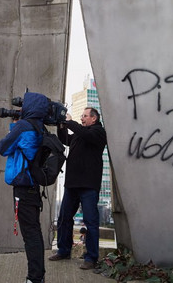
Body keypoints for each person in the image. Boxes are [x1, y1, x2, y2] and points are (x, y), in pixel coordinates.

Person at [0, 92, 49, 283]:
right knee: (34, 232)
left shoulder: (22, 126)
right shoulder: (39, 126)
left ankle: (35, 278)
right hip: (32, 186)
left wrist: (15, 125)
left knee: (31, 235)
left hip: (23, 186)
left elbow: (3, 148)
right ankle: (38, 276)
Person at [48, 107, 107, 270]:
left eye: (85, 116)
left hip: (88, 185)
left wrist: (70, 121)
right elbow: (66, 138)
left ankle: (91, 258)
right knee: (64, 218)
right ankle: (63, 250)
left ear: (94, 119)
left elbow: (84, 133)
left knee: (91, 222)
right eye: (81, 116)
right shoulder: (80, 134)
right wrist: (61, 125)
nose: (82, 118)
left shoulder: (98, 132)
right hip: (72, 184)